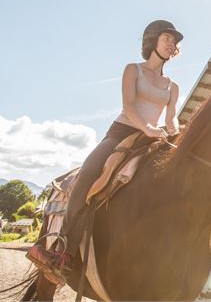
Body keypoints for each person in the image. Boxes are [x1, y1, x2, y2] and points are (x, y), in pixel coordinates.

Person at [27, 19, 183, 276]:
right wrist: (146, 128)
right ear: (152, 40)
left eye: (174, 42)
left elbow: (170, 118)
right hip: (122, 132)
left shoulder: (173, 86)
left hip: (152, 137)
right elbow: (129, 107)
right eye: (167, 38)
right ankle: (61, 248)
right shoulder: (133, 70)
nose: (171, 44)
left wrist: (175, 132)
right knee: (87, 175)